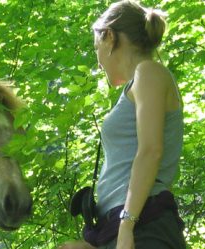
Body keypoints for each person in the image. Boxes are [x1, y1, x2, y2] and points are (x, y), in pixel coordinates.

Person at [59, 1, 186, 249]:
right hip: (121, 228)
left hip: (143, 226)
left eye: (96, 48)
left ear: (109, 37)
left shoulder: (148, 72)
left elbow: (151, 151)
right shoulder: (135, 85)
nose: (98, 63)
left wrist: (126, 226)